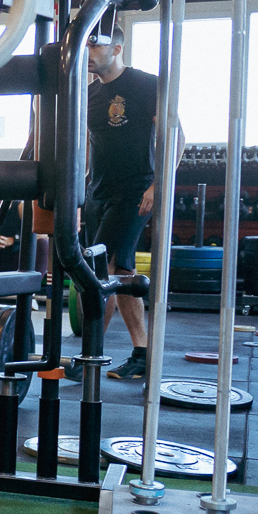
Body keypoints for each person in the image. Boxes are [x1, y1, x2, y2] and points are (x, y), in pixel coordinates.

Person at [85, 34, 179, 380]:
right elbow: (91, 145)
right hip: (98, 193)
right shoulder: (90, 93)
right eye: (86, 46)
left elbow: (176, 136)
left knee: (101, 271)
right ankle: (142, 353)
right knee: (122, 275)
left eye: (96, 45)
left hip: (136, 192)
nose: (89, 53)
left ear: (117, 49)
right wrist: (80, 193)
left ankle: (90, 354)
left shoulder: (144, 84)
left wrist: (159, 184)